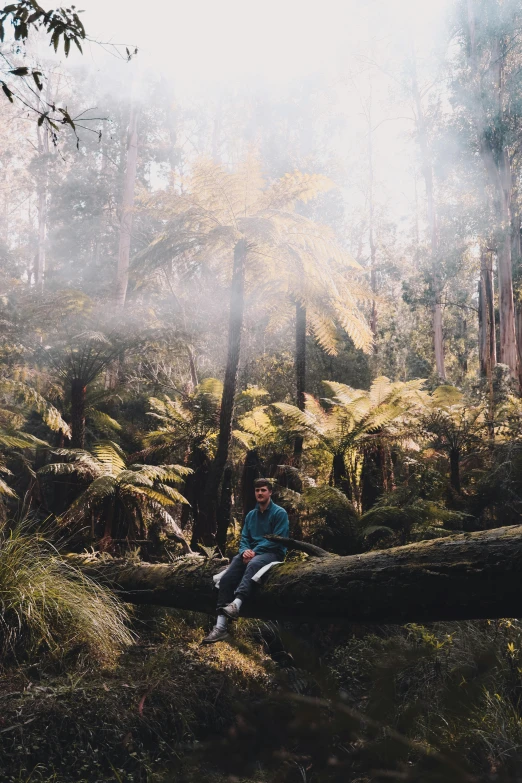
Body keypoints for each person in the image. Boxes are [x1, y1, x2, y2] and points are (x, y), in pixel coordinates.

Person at [201, 477, 289, 644]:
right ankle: (220, 628)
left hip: (272, 553)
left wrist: (254, 552)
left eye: (263, 490)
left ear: (270, 492)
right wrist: (244, 552)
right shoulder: (251, 515)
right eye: (257, 490)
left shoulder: (280, 513)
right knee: (227, 577)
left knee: (254, 565)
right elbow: (244, 538)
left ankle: (236, 604)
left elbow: (277, 539)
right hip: (250, 553)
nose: (260, 493)